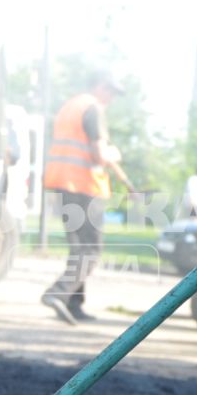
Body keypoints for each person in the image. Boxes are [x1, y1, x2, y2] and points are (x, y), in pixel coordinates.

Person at [39, 75, 124, 323]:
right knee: (91, 249)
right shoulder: (93, 108)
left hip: (63, 183)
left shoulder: (70, 106)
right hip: (84, 185)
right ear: (99, 86)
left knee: (79, 248)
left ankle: (74, 304)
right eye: (111, 91)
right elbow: (98, 155)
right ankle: (58, 293)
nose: (112, 98)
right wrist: (113, 154)